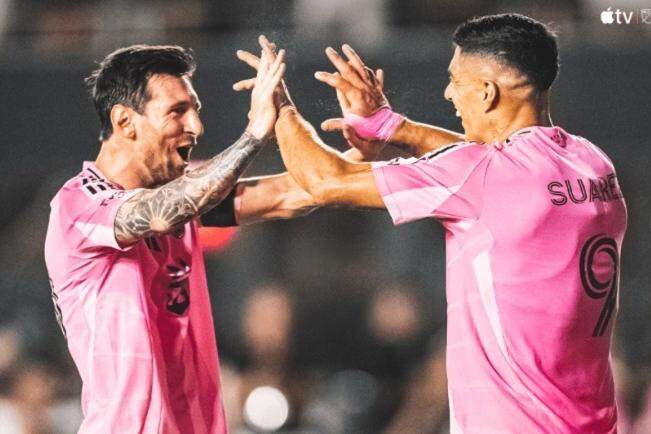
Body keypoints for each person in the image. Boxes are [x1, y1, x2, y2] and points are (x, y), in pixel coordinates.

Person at [246, 13, 627, 432]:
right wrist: (392, 127)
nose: (448, 93)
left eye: (455, 80)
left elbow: (325, 181)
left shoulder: (481, 176)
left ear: (487, 92)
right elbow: (486, 165)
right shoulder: (592, 164)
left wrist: (279, 107)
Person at [43, 42, 318, 433]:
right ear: (125, 122)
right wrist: (254, 133)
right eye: (178, 111)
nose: (196, 126)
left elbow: (292, 194)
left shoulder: (183, 200)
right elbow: (162, 211)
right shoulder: (78, 203)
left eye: (195, 110)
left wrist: (367, 143)